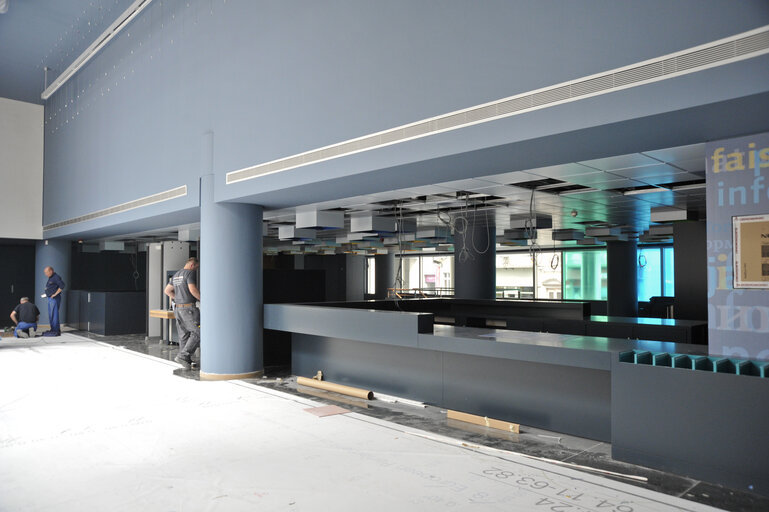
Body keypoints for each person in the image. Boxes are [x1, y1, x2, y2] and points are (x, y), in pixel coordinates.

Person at [164, 257, 200, 370]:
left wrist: (178, 298)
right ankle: (183, 356)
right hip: (188, 309)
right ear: (192, 265)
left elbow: (167, 291)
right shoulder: (189, 273)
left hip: (178, 309)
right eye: (196, 267)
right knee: (198, 332)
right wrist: (203, 299)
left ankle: (186, 360)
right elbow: (192, 289)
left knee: (183, 335)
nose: (196, 270)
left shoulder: (176, 275)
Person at [43, 266, 65, 336]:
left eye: (46, 272)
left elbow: (62, 285)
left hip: (54, 299)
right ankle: (53, 329)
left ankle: (55, 330)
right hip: (50, 298)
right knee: (51, 315)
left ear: (51, 271)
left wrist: (55, 294)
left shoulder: (56, 277)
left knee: (54, 314)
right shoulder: (50, 278)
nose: (45, 274)